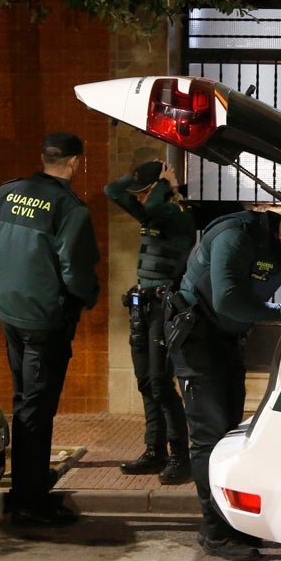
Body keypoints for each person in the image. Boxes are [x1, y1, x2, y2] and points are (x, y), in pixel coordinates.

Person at [169, 208, 281, 560]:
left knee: (227, 434)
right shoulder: (235, 236)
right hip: (197, 338)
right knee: (209, 435)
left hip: (227, 339)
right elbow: (227, 299)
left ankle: (232, 525)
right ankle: (216, 533)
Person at [0, 132, 100, 527]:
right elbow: (75, 272)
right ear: (75, 162)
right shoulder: (68, 207)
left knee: (26, 399)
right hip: (46, 319)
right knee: (37, 407)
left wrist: (10, 282)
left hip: (10, 312)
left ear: (45, 157)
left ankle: (29, 482)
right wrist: (84, 298)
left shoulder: (5, 194)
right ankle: (29, 498)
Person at [105, 160, 196, 484]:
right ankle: (153, 451)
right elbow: (111, 190)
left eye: (143, 193)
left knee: (160, 381)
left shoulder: (174, 213)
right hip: (141, 304)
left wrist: (164, 184)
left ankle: (179, 457)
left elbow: (156, 205)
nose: (140, 200)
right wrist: (146, 177)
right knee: (145, 380)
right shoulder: (151, 211)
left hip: (163, 306)